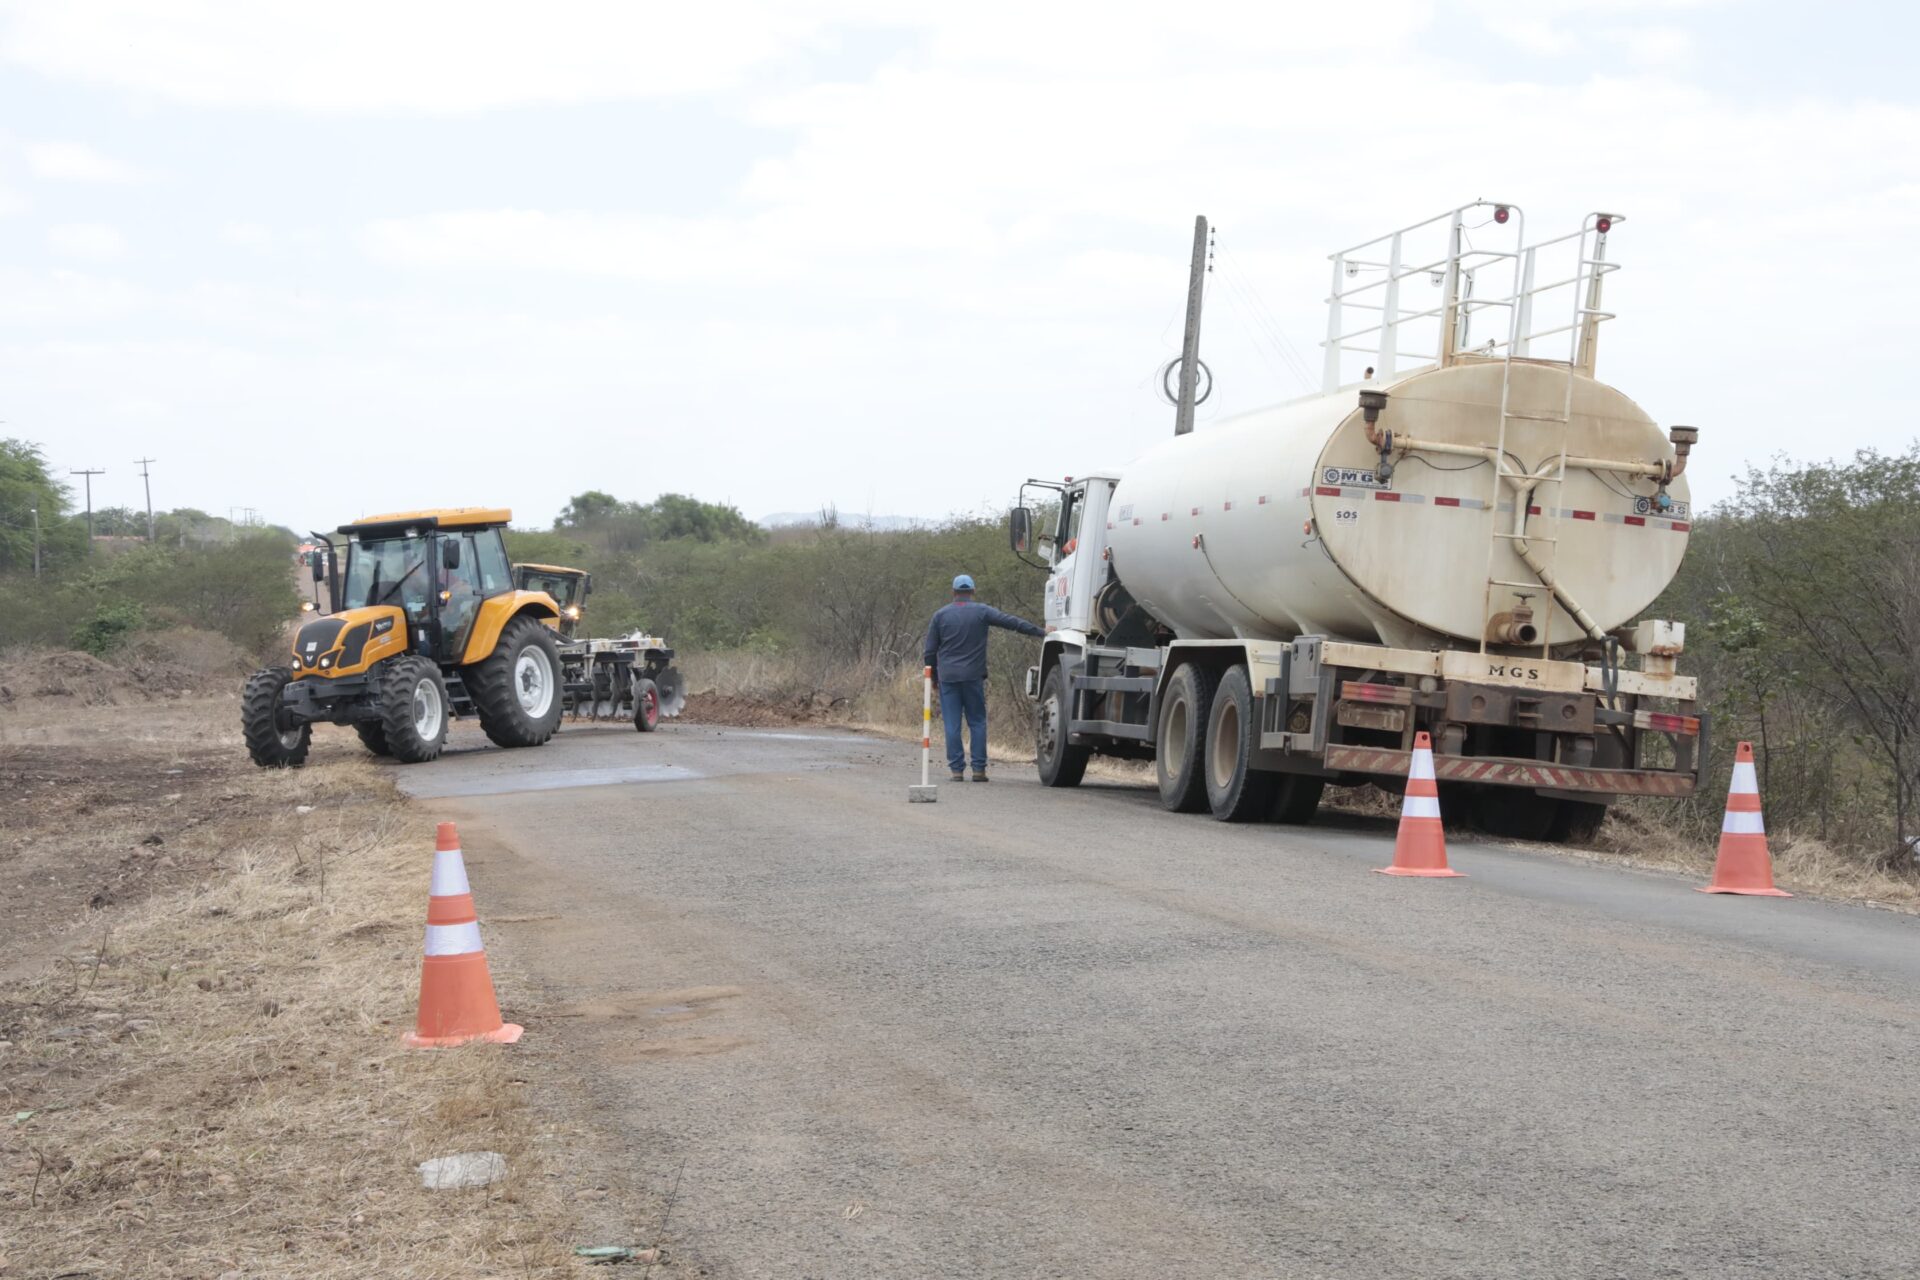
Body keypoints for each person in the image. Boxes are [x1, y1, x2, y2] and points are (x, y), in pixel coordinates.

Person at [923, 573, 1045, 782]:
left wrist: (934, 677)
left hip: (949, 678)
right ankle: (979, 770)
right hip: (973, 676)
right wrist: (1041, 632)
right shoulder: (982, 611)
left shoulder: (940, 615)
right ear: (972, 591)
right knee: (977, 722)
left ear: (953, 592)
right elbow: (1012, 622)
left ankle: (957, 770)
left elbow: (929, 652)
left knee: (952, 724)